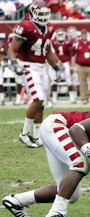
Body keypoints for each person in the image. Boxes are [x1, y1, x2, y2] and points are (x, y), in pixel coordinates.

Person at [7, 0, 61, 148]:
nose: (44, 17)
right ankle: (24, 134)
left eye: (45, 14)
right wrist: (14, 63)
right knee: (38, 98)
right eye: (40, 14)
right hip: (27, 66)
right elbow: (12, 49)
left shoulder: (49, 28)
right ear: (32, 14)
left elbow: (48, 50)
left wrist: (56, 67)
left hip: (42, 66)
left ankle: (37, 136)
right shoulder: (26, 26)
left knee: (41, 104)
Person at [71, 28, 90, 105]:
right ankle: (84, 98)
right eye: (83, 34)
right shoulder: (77, 44)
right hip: (81, 66)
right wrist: (74, 66)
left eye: (85, 34)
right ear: (81, 35)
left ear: (87, 35)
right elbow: (73, 56)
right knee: (82, 84)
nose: (84, 35)